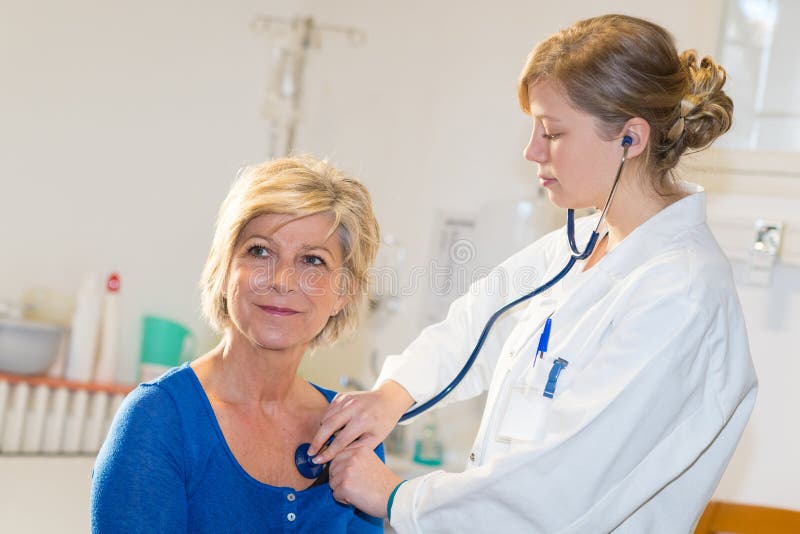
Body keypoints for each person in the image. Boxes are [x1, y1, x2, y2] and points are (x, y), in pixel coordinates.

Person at [308, 14, 758, 533]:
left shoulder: (681, 291)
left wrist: (396, 497)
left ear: (630, 138)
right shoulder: (574, 249)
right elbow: (474, 329)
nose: (532, 151)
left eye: (553, 132)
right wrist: (392, 397)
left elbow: (561, 486)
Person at [91, 156, 384, 532]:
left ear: (344, 292)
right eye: (261, 251)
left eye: (312, 260)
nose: (281, 280)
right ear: (225, 269)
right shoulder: (158, 420)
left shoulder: (351, 433)